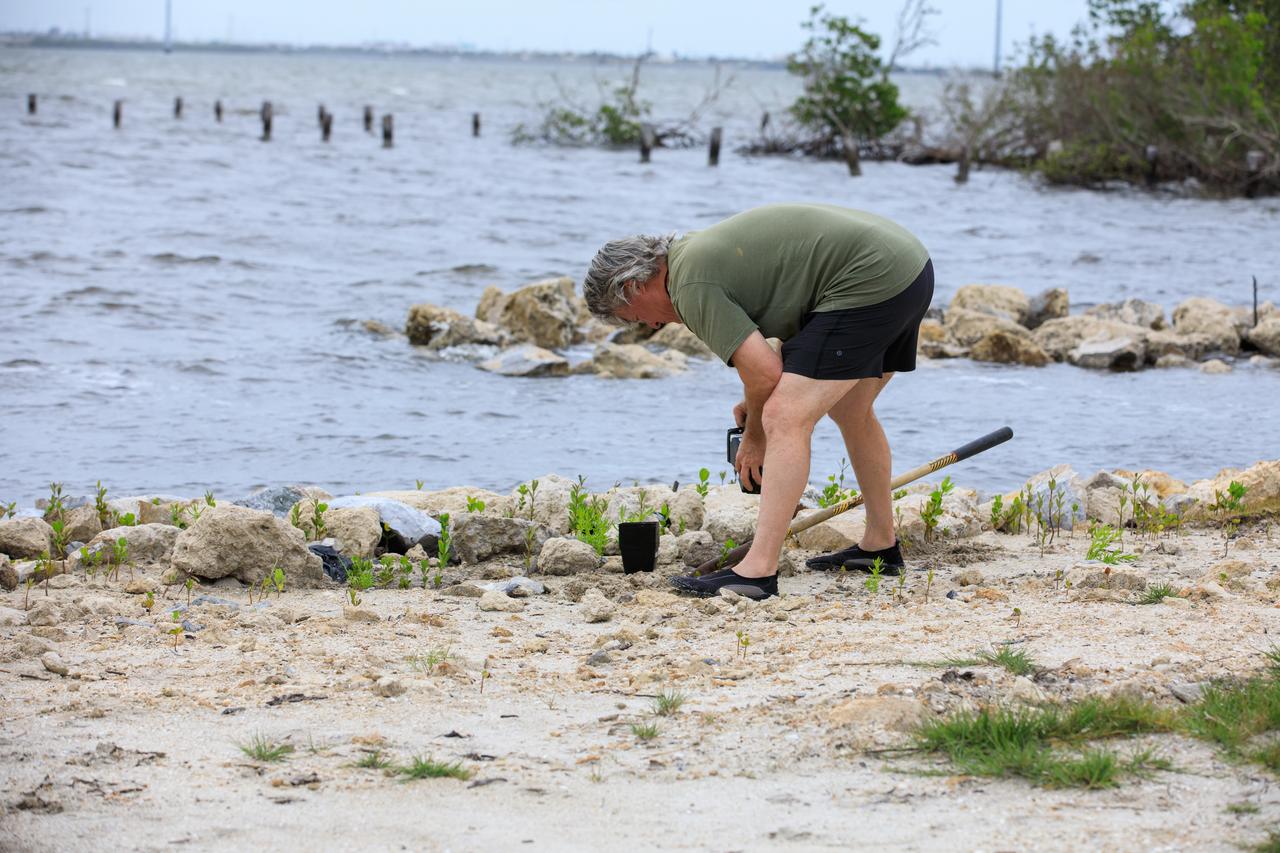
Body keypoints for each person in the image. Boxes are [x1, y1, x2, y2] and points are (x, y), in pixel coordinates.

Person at [583, 203, 933, 599]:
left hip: (872, 278)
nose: (649, 325)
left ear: (632, 286)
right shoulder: (694, 258)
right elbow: (792, 315)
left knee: (785, 417)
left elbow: (765, 374)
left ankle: (757, 571)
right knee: (849, 408)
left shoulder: (689, 287)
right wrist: (757, 400)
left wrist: (755, 437)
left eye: (630, 317)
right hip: (906, 267)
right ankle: (880, 544)